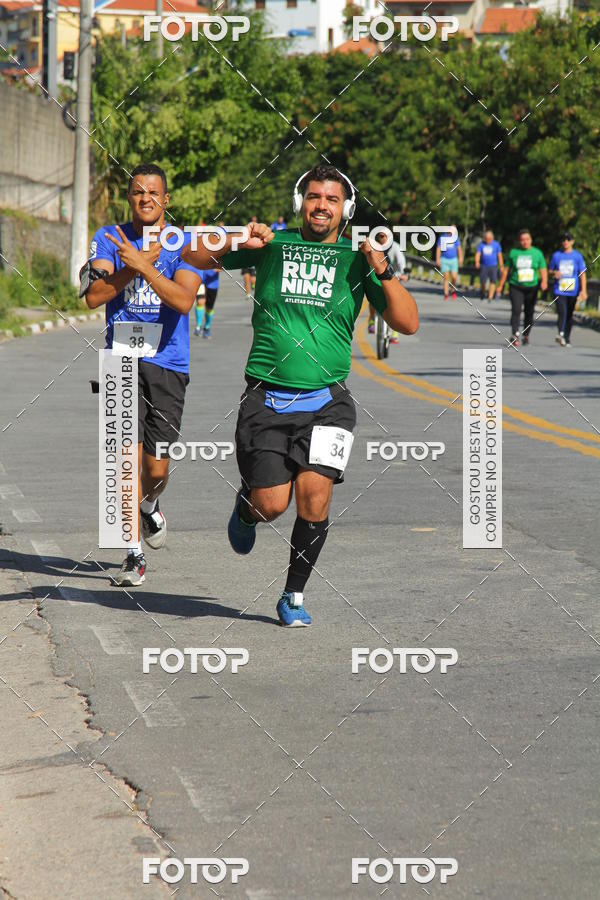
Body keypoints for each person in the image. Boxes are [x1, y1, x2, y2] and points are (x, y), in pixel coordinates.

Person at [182, 164, 419, 627]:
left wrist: (383, 269)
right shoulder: (273, 245)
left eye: (332, 199)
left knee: (315, 498)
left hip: (328, 404)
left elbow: (408, 323)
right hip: (266, 399)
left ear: (345, 209)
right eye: (314, 197)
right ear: (300, 202)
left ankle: (293, 595)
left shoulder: (358, 257)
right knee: (271, 504)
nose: (321, 206)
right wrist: (237, 240)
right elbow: (192, 256)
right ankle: (247, 509)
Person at [83, 163, 202, 586]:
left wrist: (147, 265)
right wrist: (131, 265)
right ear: (129, 198)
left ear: (165, 199)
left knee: (155, 469)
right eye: (137, 192)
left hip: (168, 363)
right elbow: (94, 296)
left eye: (153, 192)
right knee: (124, 461)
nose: (145, 198)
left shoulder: (184, 243)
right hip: (120, 360)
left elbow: (183, 301)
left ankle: (149, 506)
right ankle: (133, 555)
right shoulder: (109, 238)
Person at [497, 229, 547, 348]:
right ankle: (515, 334)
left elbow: (543, 268)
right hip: (516, 286)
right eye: (522, 240)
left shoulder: (537, 253)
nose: (525, 242)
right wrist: (500, 285)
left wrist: (544, 281)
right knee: (516, 310)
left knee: (529, 312)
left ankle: (526, 335)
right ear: (519, 241)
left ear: (531, 240)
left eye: (527, 239)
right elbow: (506, 270)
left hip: (532, 287)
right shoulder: (514, 253)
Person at [549, 232, 587, 347]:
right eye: (564, 240)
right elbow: (550, 270)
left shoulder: (577, 256)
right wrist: (554, 273)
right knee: (562, 312)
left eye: (568, 239)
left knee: (569, 314)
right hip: (559, 289)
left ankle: (567, 338)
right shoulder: (556, 255)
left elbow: (582, 273)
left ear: (572, 242)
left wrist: (583, 290)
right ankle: (560, 334)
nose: (565, 242)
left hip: (572, 290)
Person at [435, 225, 463, 300]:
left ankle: (453, 290)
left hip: (454, 260)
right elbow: (438, 248)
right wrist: (437, 259)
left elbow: (459, 248)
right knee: (446, 277)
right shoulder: (443, 237)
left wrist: (460, 258)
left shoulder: (456, 238)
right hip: (444, 259)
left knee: (454, 277)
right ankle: (446, 293)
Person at [475, 230, 503, 302]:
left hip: (493, 266)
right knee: (483, 282)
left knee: (493, 281)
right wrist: (477, 262)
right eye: (486, 238)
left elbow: (499, 255)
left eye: (489, 239)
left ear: (492, 238)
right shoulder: (481, 244)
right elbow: (478, 254)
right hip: (484, 266)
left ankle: (490, 297)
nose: (488, 240)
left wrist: (501, 265)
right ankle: (483, 293)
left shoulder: (496, 244)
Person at [194, 267, 220, 338]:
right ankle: (198, 326)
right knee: (200, 302)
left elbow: (224, 265)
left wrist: (219, 268)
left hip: (213, 282)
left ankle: (207, 327)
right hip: (200, 280)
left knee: (209, 308)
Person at [242, 215, 258, 298]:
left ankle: (253, 285)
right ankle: (248, 293)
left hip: (253, 259)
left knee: (253, 279)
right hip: (245, 259)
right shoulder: (245, 232)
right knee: (246, 277)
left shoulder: (258, 232)